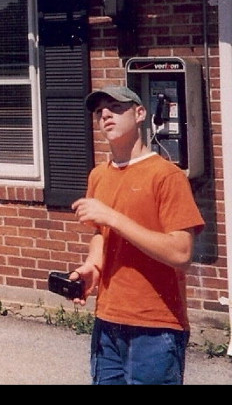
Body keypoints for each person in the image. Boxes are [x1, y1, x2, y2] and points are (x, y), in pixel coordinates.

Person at [66, 85, 204, 384]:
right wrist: (93, 265)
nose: (105, 115)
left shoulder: (167, 176)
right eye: (99, 111)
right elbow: (101, 235)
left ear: (140, 113)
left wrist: (113, 217)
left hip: (156, 325)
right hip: (108, 320)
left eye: (116, 108)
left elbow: (181, 253)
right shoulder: (98, 175)